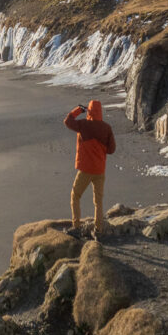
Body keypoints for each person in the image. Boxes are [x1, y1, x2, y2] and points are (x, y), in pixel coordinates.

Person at [63, 99, 116, 238]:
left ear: (90, 111)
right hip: (100, 171)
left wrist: (79, 109)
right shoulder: (107, 128)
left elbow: (67, 121)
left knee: (75, 195)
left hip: (86, 170)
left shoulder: (83, 125)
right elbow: (111, 150)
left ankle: (76, 227)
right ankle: (98, 231)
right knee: (98, 202)